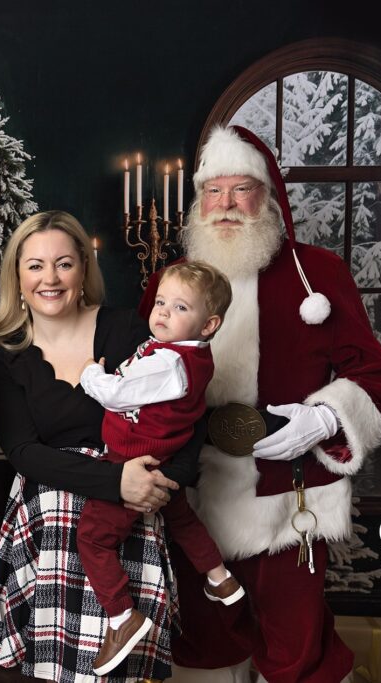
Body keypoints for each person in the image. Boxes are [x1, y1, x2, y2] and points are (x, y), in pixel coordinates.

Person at [138, 125, 381, 683]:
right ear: (199, 201)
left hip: (291, 494)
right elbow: (138, 371)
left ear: (269, 197)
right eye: (213, 191)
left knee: (298, 643)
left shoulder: (319, 274)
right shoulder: (170, 282)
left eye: (242, 190)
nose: (226, 205)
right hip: (193, 494)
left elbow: (374, 369)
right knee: (205, 638)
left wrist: (325, 416)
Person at [0, 210, 207, 683]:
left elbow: (188, 410)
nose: (51, 278)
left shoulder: (128, 330)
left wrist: (166, 482)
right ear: (17, 277)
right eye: (35, 265)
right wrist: (116, 481)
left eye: (64, 263)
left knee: (122, 674)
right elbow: (23, 451)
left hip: (133, 513)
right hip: (52, 528)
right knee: (54, 669)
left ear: (84, 268)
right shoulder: (6, 358)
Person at [77, 261, 244, 676]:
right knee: (181, 518)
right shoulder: (190, 355)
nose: (164, 312)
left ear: (209, 325)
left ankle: (121, 617)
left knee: (93, 539)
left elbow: (116, 395)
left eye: (181, 307)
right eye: (161, 301)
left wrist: (90, 373)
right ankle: (221, 577)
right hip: (165, 456)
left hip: (132, 459)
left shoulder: (168, 362)